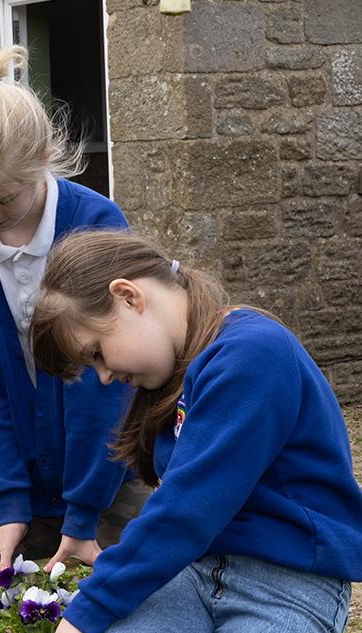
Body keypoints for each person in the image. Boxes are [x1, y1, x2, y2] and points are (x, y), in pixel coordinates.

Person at [30, 230, 361, 633]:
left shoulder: (253, 354)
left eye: (96, 353)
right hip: (195, 573)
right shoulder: (182, 370)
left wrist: (88, 611)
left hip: (289, 582)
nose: (104, 376)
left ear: (128, 296)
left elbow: (185, 511)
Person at [0, 45, 150, 572]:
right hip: (30, 496)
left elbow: (107, 379)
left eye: (3, 199)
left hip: (115, 479)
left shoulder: (97, 224)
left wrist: (83, 515)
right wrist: (8, 504)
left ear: (41, 162)